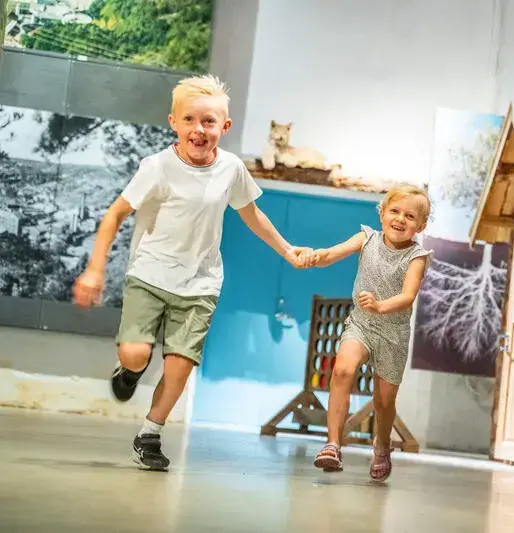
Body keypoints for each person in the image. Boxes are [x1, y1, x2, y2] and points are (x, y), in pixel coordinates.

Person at [72, 74, 315, 471]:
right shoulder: (157, 167)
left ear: (225, 126)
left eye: (208, 122)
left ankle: (149, 434)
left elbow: (252, 214)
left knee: (180, 367)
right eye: (189, 120)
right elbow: (115, 214)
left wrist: (287, 250)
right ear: (174, 122)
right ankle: (130, 371)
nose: (198, 129)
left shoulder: (231, 168)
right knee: (135, 354)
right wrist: (94, 269)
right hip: (150, 274)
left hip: (201, 283)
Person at [311, 183, 432, 482]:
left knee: (384, 401)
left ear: (421, 225)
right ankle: (333, 445)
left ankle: (382, 445)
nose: (400, 219)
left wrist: (380, 306)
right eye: (395, 211)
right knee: (342, 371)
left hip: (393, 332)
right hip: (361, 323)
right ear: (381, 213)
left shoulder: (417, 256)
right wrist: (312, 256)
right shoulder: (366, 238)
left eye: (410, 216)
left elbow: (408, 296)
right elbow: (331, 254)